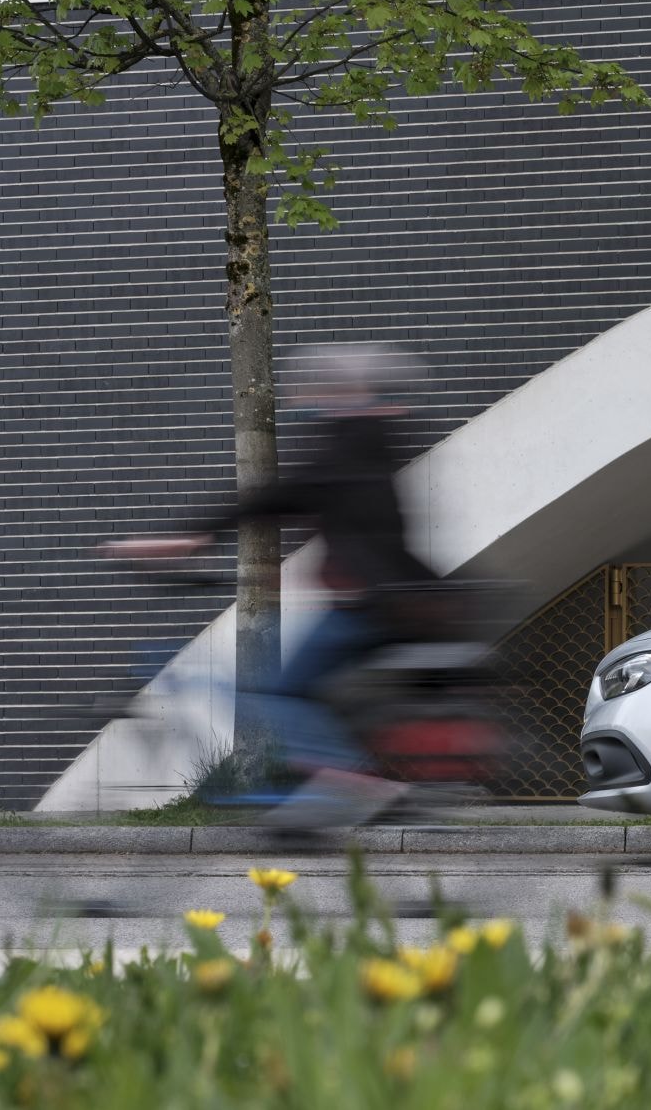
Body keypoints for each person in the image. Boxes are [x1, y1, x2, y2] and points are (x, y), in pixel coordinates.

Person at [103, 342, 434, 825]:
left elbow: (279, 495)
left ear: (345, 392)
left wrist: (193, 537)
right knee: (317, 695)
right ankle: (328, 793)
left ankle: (355, 786)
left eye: (316, 391)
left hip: (370, 602)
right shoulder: (371, 443)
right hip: (389, 599)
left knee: (284, 693)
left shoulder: (349, 443)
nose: (307, 402)